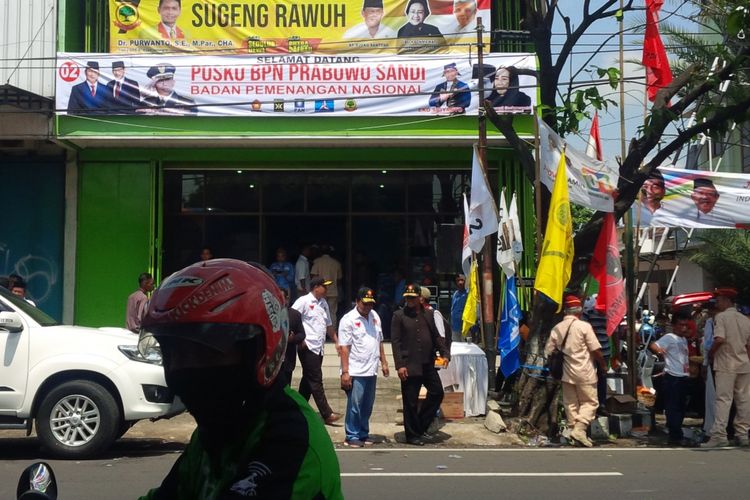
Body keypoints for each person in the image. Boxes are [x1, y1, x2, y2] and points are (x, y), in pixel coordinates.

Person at [138, 259, 342, 499]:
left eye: (204, 352)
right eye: (171, 353)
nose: (183, 370)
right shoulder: (217, 430)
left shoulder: (290, 439)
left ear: (258, 350)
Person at [391, 283, 450, 446]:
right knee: (410, 401)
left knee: (437, 392)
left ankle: (420, 426)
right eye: (407, 298)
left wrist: (445, 353)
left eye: (413, 298)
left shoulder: (428, 315)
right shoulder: (399, 316)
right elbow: (395, 342)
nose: (410, 300)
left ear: (420, 298)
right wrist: (399, 365)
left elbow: (437, 337)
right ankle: (412, 435)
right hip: (409, 365)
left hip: (427, 363)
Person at [544, 295, 607, 448]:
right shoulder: (584, 327)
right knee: (591, 402)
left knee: (571, 404)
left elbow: (548, 351)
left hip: (566, 372)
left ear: (566, 311)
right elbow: (596, 349)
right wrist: (603, 365)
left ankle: (574, 431)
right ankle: (580, 429)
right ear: (579, 311)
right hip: (585, 371)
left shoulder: (557, 328)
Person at [338, 287, 389, 447]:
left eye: (370, 304)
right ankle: (351, 434)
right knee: (355, 405)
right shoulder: (348, 319)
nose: (367, 307)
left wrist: (384, 361)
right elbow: (344, 347)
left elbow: (378, 340)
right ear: (358, 301)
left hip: (371, 368)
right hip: (355, 369)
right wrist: (345, 372)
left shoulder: (375, 316)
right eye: (365, 303)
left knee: (367, 404)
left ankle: (363, 432)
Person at [291, 277, 342, 425]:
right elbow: (292, 318)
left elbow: (328, 325)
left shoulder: (323, 303)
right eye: (324, 287)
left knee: (308, 380)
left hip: (319, 347)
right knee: (316, 379)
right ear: (316, 287)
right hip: (307, 346)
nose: (326, 290)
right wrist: (299, 339)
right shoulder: (303, 301)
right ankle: (327, 413)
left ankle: (298, 409)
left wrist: (336, 340)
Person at [703, 287, 750, 448]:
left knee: (723, 399)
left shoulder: (721, 317)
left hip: (726, 363)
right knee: (743, 400)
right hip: (743, 363)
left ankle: (719, 435)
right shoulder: (745, 319)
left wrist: (711, 353)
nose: (717, 303)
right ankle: (742, 434)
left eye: (719, 300)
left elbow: (720, 339)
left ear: (726, 300)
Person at [649, 311, 692, 446]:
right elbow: (654, 345)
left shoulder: (683, 339)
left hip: (683, 376)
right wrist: (659, 351)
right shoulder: (669, 337)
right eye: (681, 325)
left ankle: (676, 433)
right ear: (674, 326)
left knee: (680, 408)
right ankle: (675, 436)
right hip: (673, 377)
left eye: (686, 325)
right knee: (673, 408)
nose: (683, 328)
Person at [583, 295, 611, 413]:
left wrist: (617, 352)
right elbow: (586, 330)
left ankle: (601, 404)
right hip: (590, 351)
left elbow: (614, 330)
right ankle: (590, 405)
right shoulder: (588, 307)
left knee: (602, 378)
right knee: (589, 378)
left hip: (604, 350)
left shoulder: (610, 310)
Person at [310, 245, 343, 326]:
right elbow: (339, 279)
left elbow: (313, 276)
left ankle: (322, 330)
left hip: (319, 291)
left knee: (319, 310)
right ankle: (333, 330)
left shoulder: (317, 261)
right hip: (333, 291)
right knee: (332, 312)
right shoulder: (336, 263)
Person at [279, 297, 306, 388]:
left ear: (286, 299)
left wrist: (293, 339)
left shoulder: (294, 314)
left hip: (288, 359)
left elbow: (302, 334)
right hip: (273, 360)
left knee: (286, 387)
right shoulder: (268, 314)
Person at [450, 274, 468, 342]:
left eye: (462, 280)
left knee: (466, 347)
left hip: (465, 327)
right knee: (456, 347)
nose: (460, 282)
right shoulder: (455, 294)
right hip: (455, 327)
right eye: (458, 280)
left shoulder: (468, 294)